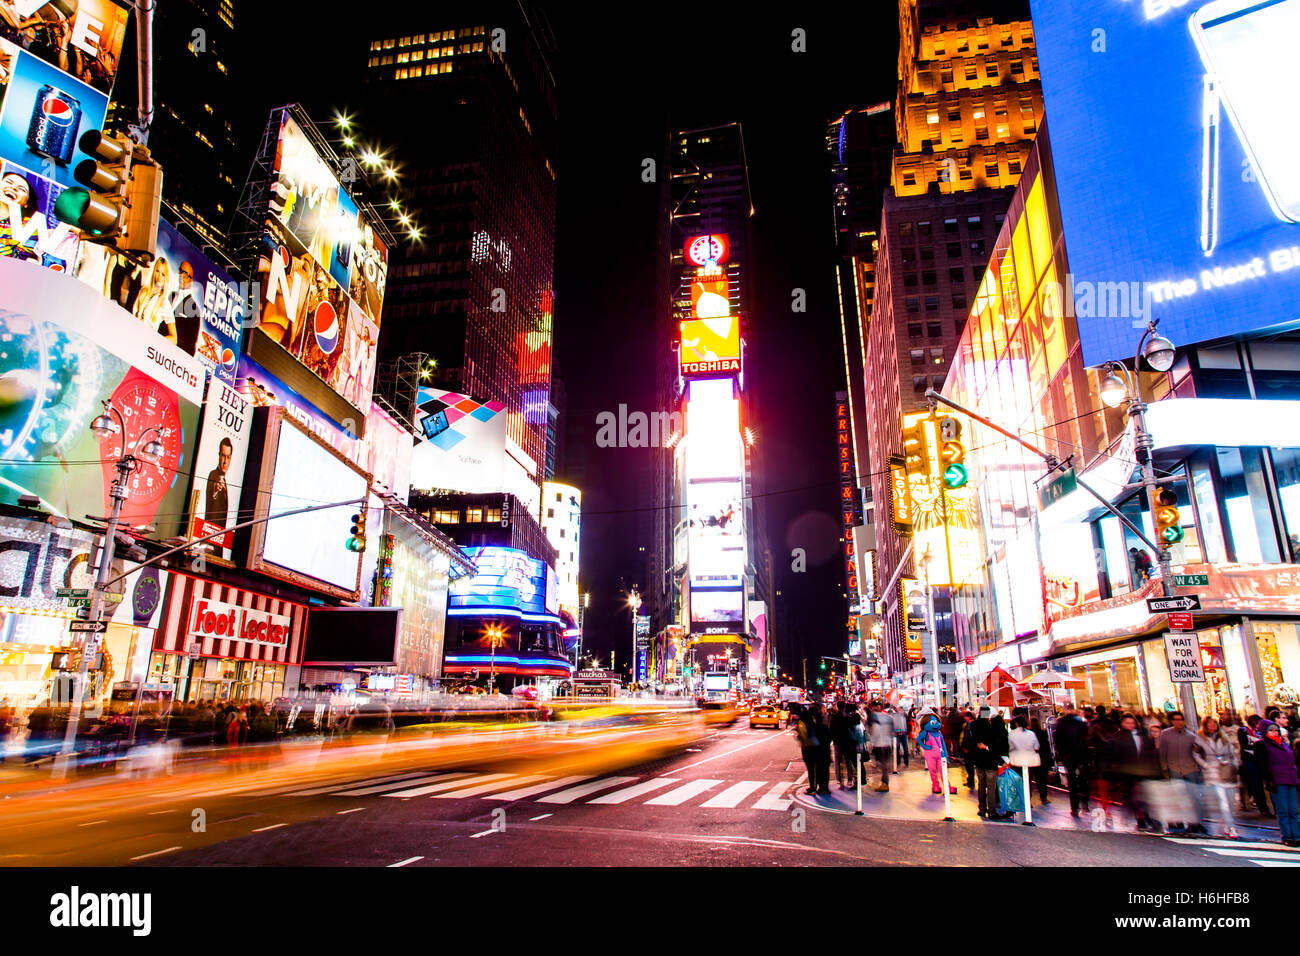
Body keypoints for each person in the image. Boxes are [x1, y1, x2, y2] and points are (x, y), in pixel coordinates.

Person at [1101, 713, 1163, 832]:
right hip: (1128, 772)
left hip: (1144, 770)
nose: (1130, 725)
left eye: (1132, 723)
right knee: (1135, 797)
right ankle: (1141, 819)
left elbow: (1150, 752)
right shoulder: (1117, 737)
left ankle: (1150, 819)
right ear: (1122, 724)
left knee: (1146, 796)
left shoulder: (1143, 735)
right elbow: (1113, 756)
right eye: (1127, 723)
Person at [1157, 710, 1205, 835]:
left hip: (1190, 768)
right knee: (1178, 797)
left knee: (1194, 797)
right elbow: (1162, 752)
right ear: (1172, 721)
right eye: (1176, 720)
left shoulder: (1191, 735)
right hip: (1174, 768)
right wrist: (1164, 768)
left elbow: (1198, 752)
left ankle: (1195, 822)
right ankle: (1180, 820)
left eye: (1181, 719)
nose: (1179, 722)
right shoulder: (1166, 734)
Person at [1194, 716, 1240, 839]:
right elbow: (1196, 754)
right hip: (1213, 773)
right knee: (1223, 802)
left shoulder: (1223, 737)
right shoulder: (1200, 738)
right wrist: (1206, 765)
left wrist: (1233, 763)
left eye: (1214, 723)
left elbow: (1232, 751)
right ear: (1205, 725)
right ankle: (1231, 826)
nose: (1212, 726)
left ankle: (1226, 822)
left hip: (1227, 771)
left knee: (1231, 801)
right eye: (1210, 724)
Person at [1256, 719, 1300, 847]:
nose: (1274, 732)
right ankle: (1287, 836)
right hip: (1278, 781)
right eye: (1271, 730)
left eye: (1276, 730)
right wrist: (1269, 780)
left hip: (1291, 780)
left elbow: (1292, 762)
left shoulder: (1283, 744)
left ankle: (1296, 835)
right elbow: (1262, 766)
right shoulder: (1262, 745)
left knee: (1293, 810)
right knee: (1283, 810)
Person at [1054, 703, 1092, 817]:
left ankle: (1074, 807)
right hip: (1081, 754)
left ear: (1065, 710)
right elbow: (1087, 738)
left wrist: (1061, 753)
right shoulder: (1081, 722)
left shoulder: (1060, 723)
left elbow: (1057, 740)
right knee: (1083, 779)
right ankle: (1085, 802)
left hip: (1068, 755)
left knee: (1072, 781)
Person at [971, 706, 1008, 819]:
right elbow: (994, 748)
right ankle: (992, 811)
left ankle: (982, 809)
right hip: (990, 762)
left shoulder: (973, 726)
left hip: (979, 761)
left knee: (981, 785)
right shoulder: (991, 728)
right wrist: (1001, 761)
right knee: (991, 787)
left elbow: (973, 743)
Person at [1239, 715, 1273, 816]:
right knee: (1257, 784)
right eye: (1256, 723)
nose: (1257, 725)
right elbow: (1244, 745)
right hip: (1250, 760)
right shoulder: (1243, 730)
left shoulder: (1259, 732)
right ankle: (1263, 808)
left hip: (1261, 760)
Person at [917, 711, 956, 794]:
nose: (935, 724)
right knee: (933, 771)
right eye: (932, 722)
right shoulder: (926, 733)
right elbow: (918, 739)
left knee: (943, 770)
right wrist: (925, 746)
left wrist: (946, 755)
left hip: (940, 755)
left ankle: (947, 786)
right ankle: (935, 785)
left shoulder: (939, 733)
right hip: (930, 755)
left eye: (936, 722)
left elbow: (943, 744)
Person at [1008, 715, 1041, 813]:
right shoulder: (1031, 734)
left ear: (1016, 724)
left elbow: (1010, 747)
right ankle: (1028, 800)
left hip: (1016, 761)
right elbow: (1037, 746)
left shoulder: (1012, 734)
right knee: (1027, 781)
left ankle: (1018, 801)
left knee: (1016, 781)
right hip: (1029, 761)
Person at [206, 438, 233, 527]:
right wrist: (216, 488)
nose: (225, 462)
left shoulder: (225, 481)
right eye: (223, 456)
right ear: (219, 455)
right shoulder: (213, 475)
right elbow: (213, 489)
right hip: (210, 530)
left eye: (228, 457)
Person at [796, 706, 822, 795]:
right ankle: (817, 786)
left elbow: (803, 735)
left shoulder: (802, 723)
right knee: (816, 768)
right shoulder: (813, 722)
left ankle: (812, 788)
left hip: (807, 747)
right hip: (816, 746)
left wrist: (799, 737)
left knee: (810, 769)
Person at [869, 703, 894, 792]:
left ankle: (885, 783)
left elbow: (876, 730)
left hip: (879, 745)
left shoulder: (875, 717)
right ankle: (884, 782)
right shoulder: (888, 717)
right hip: (888, 744)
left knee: (882, 765)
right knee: (885, 765)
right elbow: (892, 730)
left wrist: (872, 743)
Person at [1029, 716, 1054, 804]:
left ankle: (1029, 800)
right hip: (1043, 758)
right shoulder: (1043, 732)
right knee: (1043, 779)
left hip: (1033, 758)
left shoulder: (1029, 733)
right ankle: (1043, 797)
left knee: (1033, 778)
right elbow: (1047, 746)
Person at [890, 705, 909, 771]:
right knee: (896, 748)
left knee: (906, 749)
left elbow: (907, 720)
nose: (897, 708)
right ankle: (898, 762)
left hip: (904, 733)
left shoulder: (903, 714)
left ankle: (906, 762)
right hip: (896, 734)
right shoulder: (892, 715)